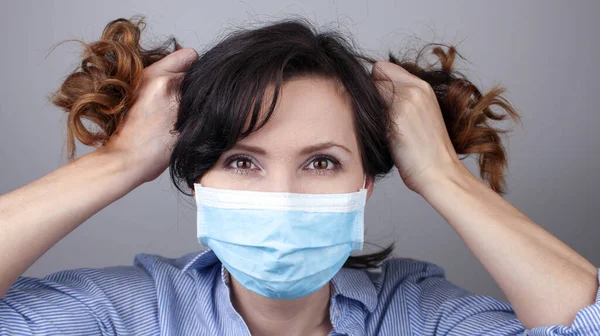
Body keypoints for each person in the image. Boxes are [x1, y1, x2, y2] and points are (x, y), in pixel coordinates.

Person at [0, 16, 599, 336]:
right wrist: (118, 162)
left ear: (365, 185)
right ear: (199, 179)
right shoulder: (124, 317)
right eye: (242, 160)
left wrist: (445, 175)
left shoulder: (421, 318)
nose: (281, 198)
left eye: (321, 162)